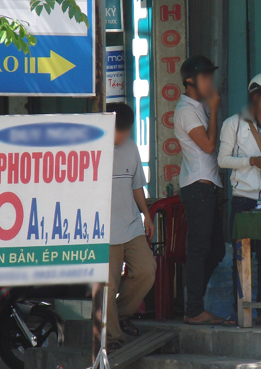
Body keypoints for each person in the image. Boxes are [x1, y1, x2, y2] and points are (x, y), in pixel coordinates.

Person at [218, 72, 261, 326]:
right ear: (256, 96)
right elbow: (222, 160)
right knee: (242, 257)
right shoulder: (233, 123)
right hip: (243, 200)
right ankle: (241, 309)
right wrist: (252, 162)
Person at [174, 55, 226, 325]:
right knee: (198, 250)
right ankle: (193, 309)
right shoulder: (186, 109)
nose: (210, 81)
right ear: (190, 80)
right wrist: (215, 109)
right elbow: (207, 146)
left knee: (215, 250)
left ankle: (190, 302)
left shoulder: (197, 107)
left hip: (207, 188)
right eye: (205, 76)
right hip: (197, 189)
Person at [106, 103, 157, 352]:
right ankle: (112, 337)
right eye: (120, 131)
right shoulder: (91, 149)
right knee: (108, 285)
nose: (123, 136)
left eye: (127, 131)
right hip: (103, 231)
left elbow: (137, 185)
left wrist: (146, 215)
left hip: (131, 224)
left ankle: (121, 313)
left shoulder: (130, 146)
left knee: (147, 270)